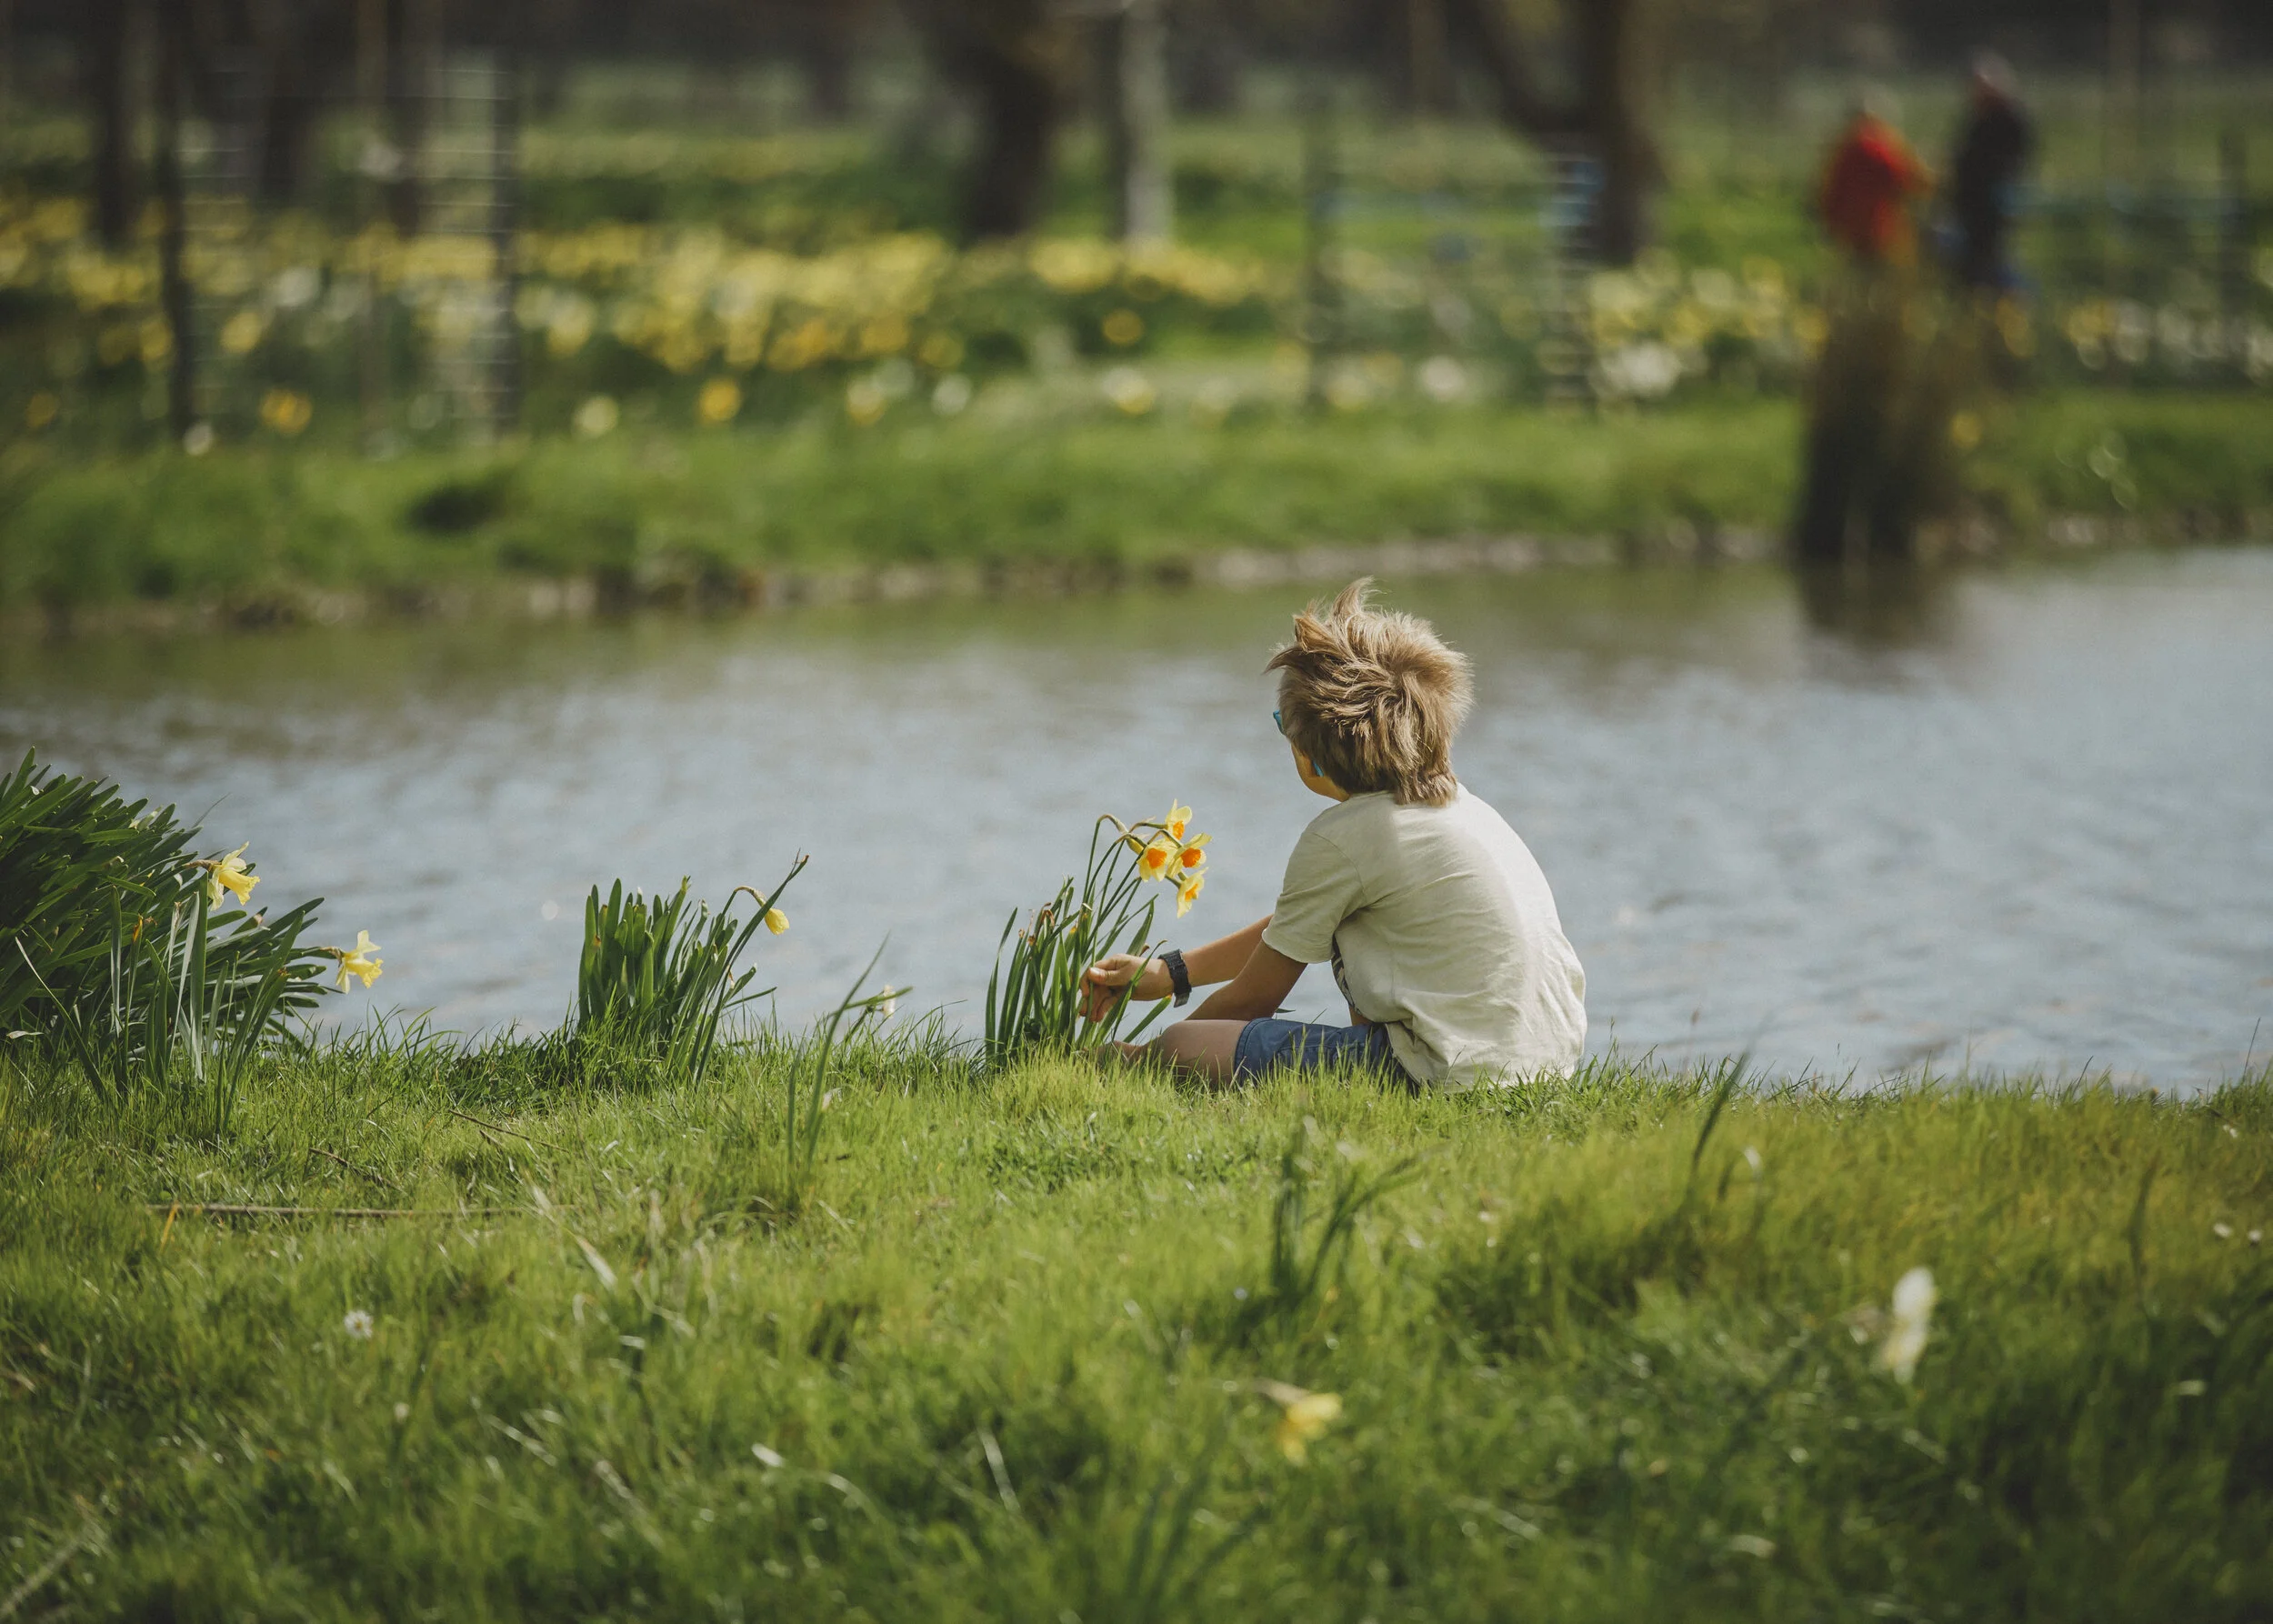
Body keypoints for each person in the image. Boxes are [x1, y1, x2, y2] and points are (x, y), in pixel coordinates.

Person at [1081, 580, 1587, 1090]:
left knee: (1181, 1047)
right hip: (1545, 1068)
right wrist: (1172, 972)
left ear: (1312, 755)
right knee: (1359, 932)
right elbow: (1298, 927)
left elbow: (1254, 998)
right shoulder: (1465, 810)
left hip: (1445, 1071)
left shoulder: (1341, 838)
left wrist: (1146, 1057)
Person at [1945, 53, 2034, 291]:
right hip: (1971, 199)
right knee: (1971, 255)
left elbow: (2011, 159)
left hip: (1991, 198)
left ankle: (2008, 296)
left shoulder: (2010, 117)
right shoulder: (1978, 117)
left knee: (1991, 255)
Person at [1817, 91, 1932, 266]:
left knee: (1858, 266)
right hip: (1874, 224)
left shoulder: (1846, 147)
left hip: (1851, 224)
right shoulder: (1873, 146)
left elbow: (1831, 188)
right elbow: (1902, 177)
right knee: (1873, 267)